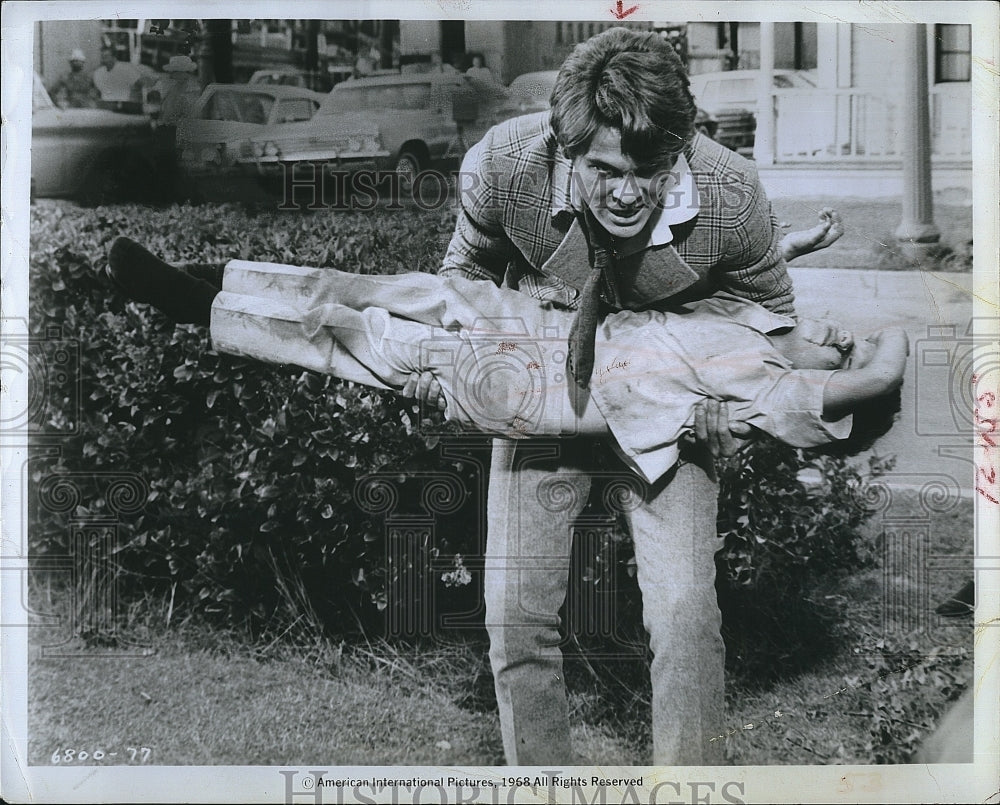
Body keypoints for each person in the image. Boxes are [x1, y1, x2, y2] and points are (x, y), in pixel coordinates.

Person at [422, 26, 798, 765]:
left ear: (679, 149)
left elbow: (776, 334)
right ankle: (543, 781)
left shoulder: (732, 193)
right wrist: (466, 367)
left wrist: (736, 409)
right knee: (514, 615)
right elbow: (460, 284)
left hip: (671, 405)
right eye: (604, 169)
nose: (628, 192)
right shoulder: (501, 164)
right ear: (566, 150)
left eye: (649, 169)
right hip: (547, 391)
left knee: (686, 614)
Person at [105, 238, 908, 488]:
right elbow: (715, 280)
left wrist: (869, 357)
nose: (837, 333)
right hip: (539, 324)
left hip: (543, 382)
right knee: (369, 288)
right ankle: (207, 282)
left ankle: (185, 302)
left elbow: (880, 372)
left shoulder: (784, 398)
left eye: (843, 343)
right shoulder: (751, 333)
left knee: (354, 336)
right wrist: (792, 248)